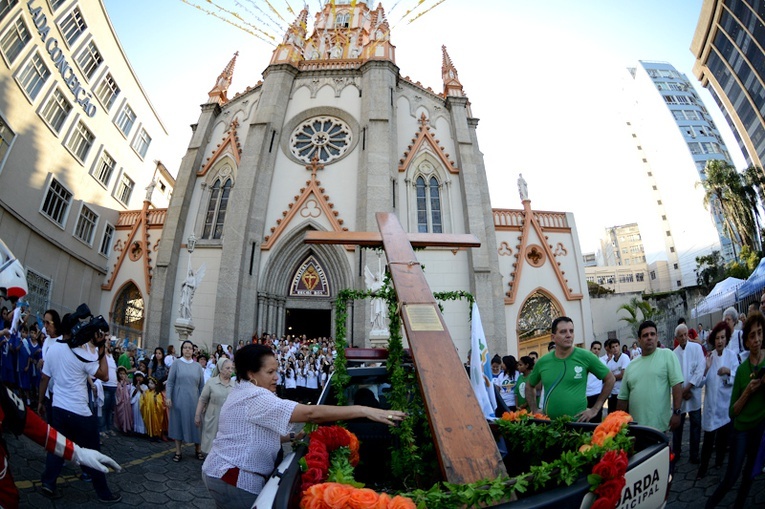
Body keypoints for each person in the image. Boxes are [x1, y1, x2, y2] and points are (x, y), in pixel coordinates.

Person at [201, 344, 406, 508]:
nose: (277, 377)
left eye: (277, 370)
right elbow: (310, 413)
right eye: (270, 372)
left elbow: (251, 432)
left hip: (221, 471)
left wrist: (293, 438)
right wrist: (364, 410)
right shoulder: (255, 396)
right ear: (251, 374)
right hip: (234, 478)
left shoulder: (243, 390)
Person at [37, 310, 122, 503]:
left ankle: (48, 482)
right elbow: (104, 375)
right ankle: (103, 493)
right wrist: (101, 350)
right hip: (80, 412)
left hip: (58, 407)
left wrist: (41, 401)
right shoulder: (81, 352)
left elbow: (44, 378)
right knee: (93, 450)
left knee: (57, 447)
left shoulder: (53, 350)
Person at [0, 380, 121, 507]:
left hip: (61, 408)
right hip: (76, 410)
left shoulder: (2, 393)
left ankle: (49, 482)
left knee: (59, 451)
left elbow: (31, 423)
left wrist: (77, 453)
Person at [705, 312, 765, 509]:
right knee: (731, 476)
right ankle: (709, 505)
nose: (757, 340)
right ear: (746, 342)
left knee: (749, 475)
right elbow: (733, 411)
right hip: (741, 428)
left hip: (760, 427)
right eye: (752, 336)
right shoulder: (741, 370)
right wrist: (748, 390)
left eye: (760, 333)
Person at [525, 317, 614, 421]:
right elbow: (529, 385)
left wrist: (595, 409)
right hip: (550, 426)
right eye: (563, 332)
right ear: (553, 337)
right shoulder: (543, 362)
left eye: (571, 331)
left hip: (578, 426)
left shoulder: (586, 356)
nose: (568, 335)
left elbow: (610, 379)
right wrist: (534, 410)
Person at [617, 320, 684, 433]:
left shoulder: (667, 355)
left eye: (652, 334)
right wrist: (616, 423)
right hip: (636, 428)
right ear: (639, 340)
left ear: (657, 337)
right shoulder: (631, 366)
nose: (649, 337)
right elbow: (623, 398)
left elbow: (677, 385)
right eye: (645, 335)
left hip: (659, 428)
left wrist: (677, 412)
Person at [697, 321, 739, 479]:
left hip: (724, 406)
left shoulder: (732, 356)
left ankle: (720, 462)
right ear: (713, 340)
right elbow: (699, 383)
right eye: (717, 338)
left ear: (726, 339)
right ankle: (703, 467)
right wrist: (707, 368)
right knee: (708, 440)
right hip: (710, 407)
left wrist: (729, 372)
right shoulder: (709, 357)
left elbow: (737, 377)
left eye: (723, 337)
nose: (720, 341)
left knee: (723, 438)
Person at [166, 340, 205, 462]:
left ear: (193, 351)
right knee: (178, 424)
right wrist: (168, 397)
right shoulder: (176, 363)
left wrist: (202, 402)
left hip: (194, 400)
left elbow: (202, 386)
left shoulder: (198, 366)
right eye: (185, 347)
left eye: (190, 348)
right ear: (182, 350)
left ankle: (198, 450)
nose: (187, 350)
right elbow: (170, 382)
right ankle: (178, 451)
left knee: (196, 424)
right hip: (179, 399)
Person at [673, 324, 705, 463]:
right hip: (681, 395)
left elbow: (700, 368)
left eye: (686, 334)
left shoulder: (696, 348)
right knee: (678, 426)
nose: (684, 337)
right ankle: (676, 453)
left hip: (693, 393)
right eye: (681, 335)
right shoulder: (674, 354)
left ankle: (694, 454)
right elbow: (674, 376)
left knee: (696, 425)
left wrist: (688, 388)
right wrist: (682, 392)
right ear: (677, 338)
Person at [195, 357, 234, 454]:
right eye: (227, 368)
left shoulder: (235, 384)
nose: (230, 370)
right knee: (211, 442)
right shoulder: (211, 382)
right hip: (213, 417)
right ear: (220, 369)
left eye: (231, 368)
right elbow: (202, 399)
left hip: (228, 419)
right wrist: (197, 415)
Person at [605, 339, 630, 415]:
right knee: (612, 416)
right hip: (613, 394)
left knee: (624, 417)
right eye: (613, 347)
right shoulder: (610, 362)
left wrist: (612, 377)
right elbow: (607, 377)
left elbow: (623, 375)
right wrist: (613, 377)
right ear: (610, 349)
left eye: (616, 346)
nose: (615, 348)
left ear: (619, 347)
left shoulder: (624, 357)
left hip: (623, 393)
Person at [585, 341, 607, 423]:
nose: (596, 351)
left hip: (597, 394)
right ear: (590, 349)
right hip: (585, 394)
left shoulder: (603, 362)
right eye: (594, 348)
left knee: (596, 419)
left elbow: (607, 379)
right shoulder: (585, 362)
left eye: (598, 349)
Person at [140, 376, 167, 441]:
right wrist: (143, 396)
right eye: (149, 383)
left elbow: (160, 404)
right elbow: (143, 401)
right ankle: (150, 435)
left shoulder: (158, 394)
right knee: (149, 423)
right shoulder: (147, 392)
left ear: (156, 385)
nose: (150, 385)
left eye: (152, 383)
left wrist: (156, 401)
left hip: (155, 413)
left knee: (156, 423)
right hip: (149, 412)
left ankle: (157, 435)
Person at [114, 366, 133, 434]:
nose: (122, 375)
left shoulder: (127, 382)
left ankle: (127, 428)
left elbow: (129, 389)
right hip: (120, 401)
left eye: (123, 374)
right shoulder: (117, 382)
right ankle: (122, 427)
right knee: (121, 414)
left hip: (126, 400)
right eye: (120, 374)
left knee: (127, 414)